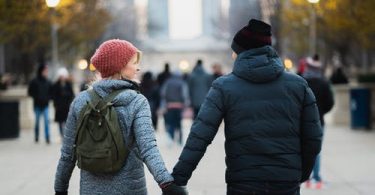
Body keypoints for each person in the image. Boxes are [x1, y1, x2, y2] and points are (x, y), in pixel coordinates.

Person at [171, 19, 322, 195]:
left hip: (243, 181)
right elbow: (313, 137)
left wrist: (178, 179)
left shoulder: (223, 86)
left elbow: (200, 135)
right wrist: (300, 173)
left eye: (235, 51)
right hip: (286, 180)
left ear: (242, 51)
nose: (233, 55)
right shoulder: (298, 85)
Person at [54, 39, 187, 195]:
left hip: (91, 190)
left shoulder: (81, 101)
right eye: (133, 62)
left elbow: (68, 153)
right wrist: (166, 183)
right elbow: (148, 148)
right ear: (120, 66)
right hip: (130, 189)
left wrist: (60, 189)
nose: (138, 68)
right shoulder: (137, 101)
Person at [302, 55, 334, 189]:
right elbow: (330, 103)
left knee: (302, 148)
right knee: (316, 150)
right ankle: (315, 177)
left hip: (301, 121)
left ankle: (305, 177)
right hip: (318, 121)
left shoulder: (301, 81)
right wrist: (320, 112)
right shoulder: (324, 83)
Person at [160, 71, 190, 146]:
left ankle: (171, 139)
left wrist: (164, 105)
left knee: (170, 123)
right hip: (179, 106)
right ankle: (180, 140)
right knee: (179, 124)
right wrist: (186, 104)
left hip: (169, 106)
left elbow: (163, 93)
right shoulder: (182, 83)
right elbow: (185, 95)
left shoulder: (167, 82)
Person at [28, 64, 52, 144]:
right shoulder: (34, 81)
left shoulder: (48, 81)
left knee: (46, 121)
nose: (46, 73)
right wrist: (36, 97)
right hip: (37, 105)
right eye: (45, 71)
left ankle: (47, 137)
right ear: (41, 71)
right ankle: (36, 136)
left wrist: (48, 98)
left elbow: (51, 92)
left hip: (45, 105)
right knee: (37, 122)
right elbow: (30, 92)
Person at [51, 67, 75, 137]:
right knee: (60, 122)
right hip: (59, 106)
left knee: (66, 121)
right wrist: (55, 104)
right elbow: (53, 95)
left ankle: (65, 135)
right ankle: (62, 135)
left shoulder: (68, 84)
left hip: (66, 106)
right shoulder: (55, 85)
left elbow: (71, 94)